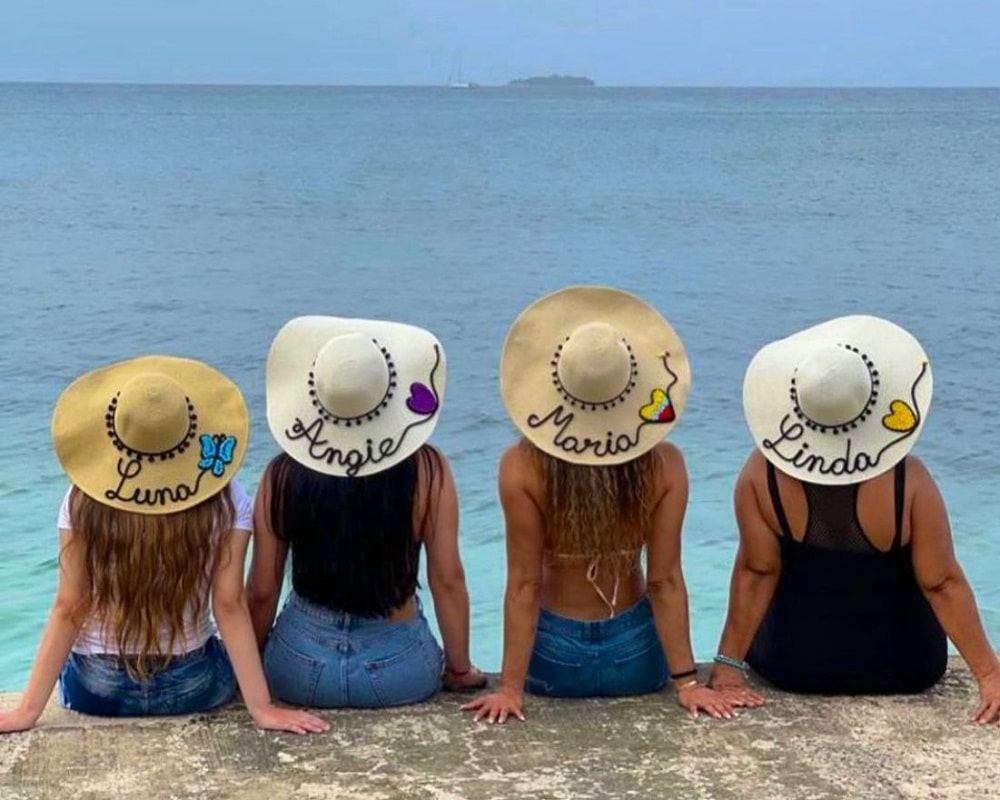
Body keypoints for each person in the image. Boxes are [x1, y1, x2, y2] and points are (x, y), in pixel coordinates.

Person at [0, 356, 328, 735]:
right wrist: (262, 708)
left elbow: (70, 607)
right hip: (193, 684)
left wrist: (27, 711)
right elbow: (229, 605)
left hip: (97, 688)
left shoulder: (82, 499)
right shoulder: (226, 497)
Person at [463, 286, 743, 724]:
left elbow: (524, 585)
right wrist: (688, 683)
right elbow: (665, 581)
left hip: (554, 659)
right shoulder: (665, 465)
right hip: (636, 655)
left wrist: (510, 688)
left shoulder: (520, 466)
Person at [709, 315, 1000, 724]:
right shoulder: (908, 480)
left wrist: (727, 668)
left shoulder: (761, 475)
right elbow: (942, 582)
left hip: (794, 665)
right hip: (907, 666)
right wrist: (989, 673)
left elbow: (756, 572)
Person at [247, 315, 486, 709]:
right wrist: (459, 668)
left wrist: (248, 666)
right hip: (399, 669)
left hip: (299, 668)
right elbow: (447, 579)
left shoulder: (282, 474)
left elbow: (261, 590)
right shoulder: (428, 469)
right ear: (389, 395)